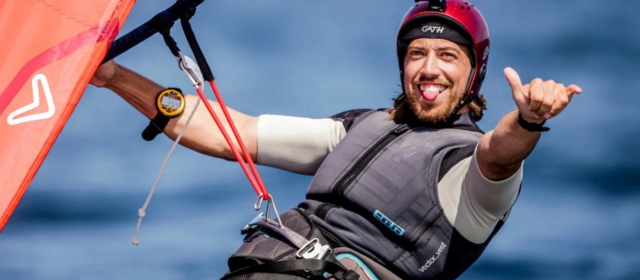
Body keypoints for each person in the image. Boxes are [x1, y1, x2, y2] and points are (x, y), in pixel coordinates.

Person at [91, 0, 582, 279]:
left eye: (448, 56)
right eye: (417, 53)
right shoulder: (359, 129)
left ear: (474, 74)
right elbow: (230, 132)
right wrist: (115, 77)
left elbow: (501, 153)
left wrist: (530, 120)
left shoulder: (470, 171)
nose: (429, 68)